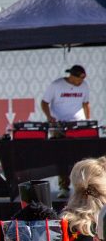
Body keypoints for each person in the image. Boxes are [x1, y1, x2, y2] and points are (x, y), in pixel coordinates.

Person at [42, 64, 91, 197]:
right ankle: (64, 187)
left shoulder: (84, 86)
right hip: (59, 125)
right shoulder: (56, 85)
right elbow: (44, 102)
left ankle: (83, 187)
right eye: (78, 79)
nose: (80, 82)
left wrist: (87, 121)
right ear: (72, 76)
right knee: (62, 156)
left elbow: (86, 104)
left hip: (78, 125)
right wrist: (49, 117)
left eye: (82, 80)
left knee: (81, 155)